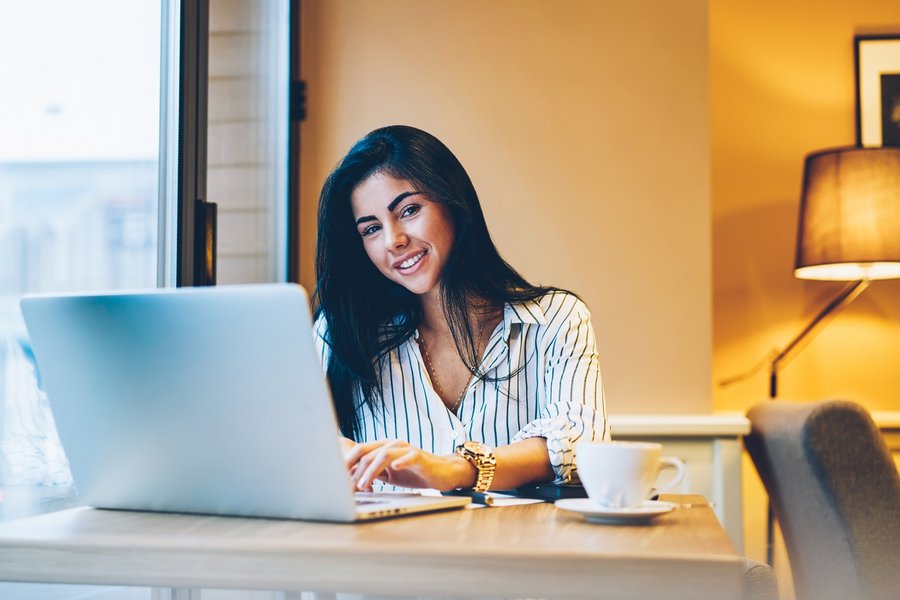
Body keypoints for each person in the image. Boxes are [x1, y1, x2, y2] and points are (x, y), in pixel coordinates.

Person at [313, 125, 607, 495]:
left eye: (408, 210)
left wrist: (455, 469)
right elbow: (295, 443)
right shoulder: (340, 332)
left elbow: (582, 445)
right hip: (385, 550)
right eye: (371, 229)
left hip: (517, 548)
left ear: (453, 204)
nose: (393, 241)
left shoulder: (556, 319)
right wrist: (322, 451)